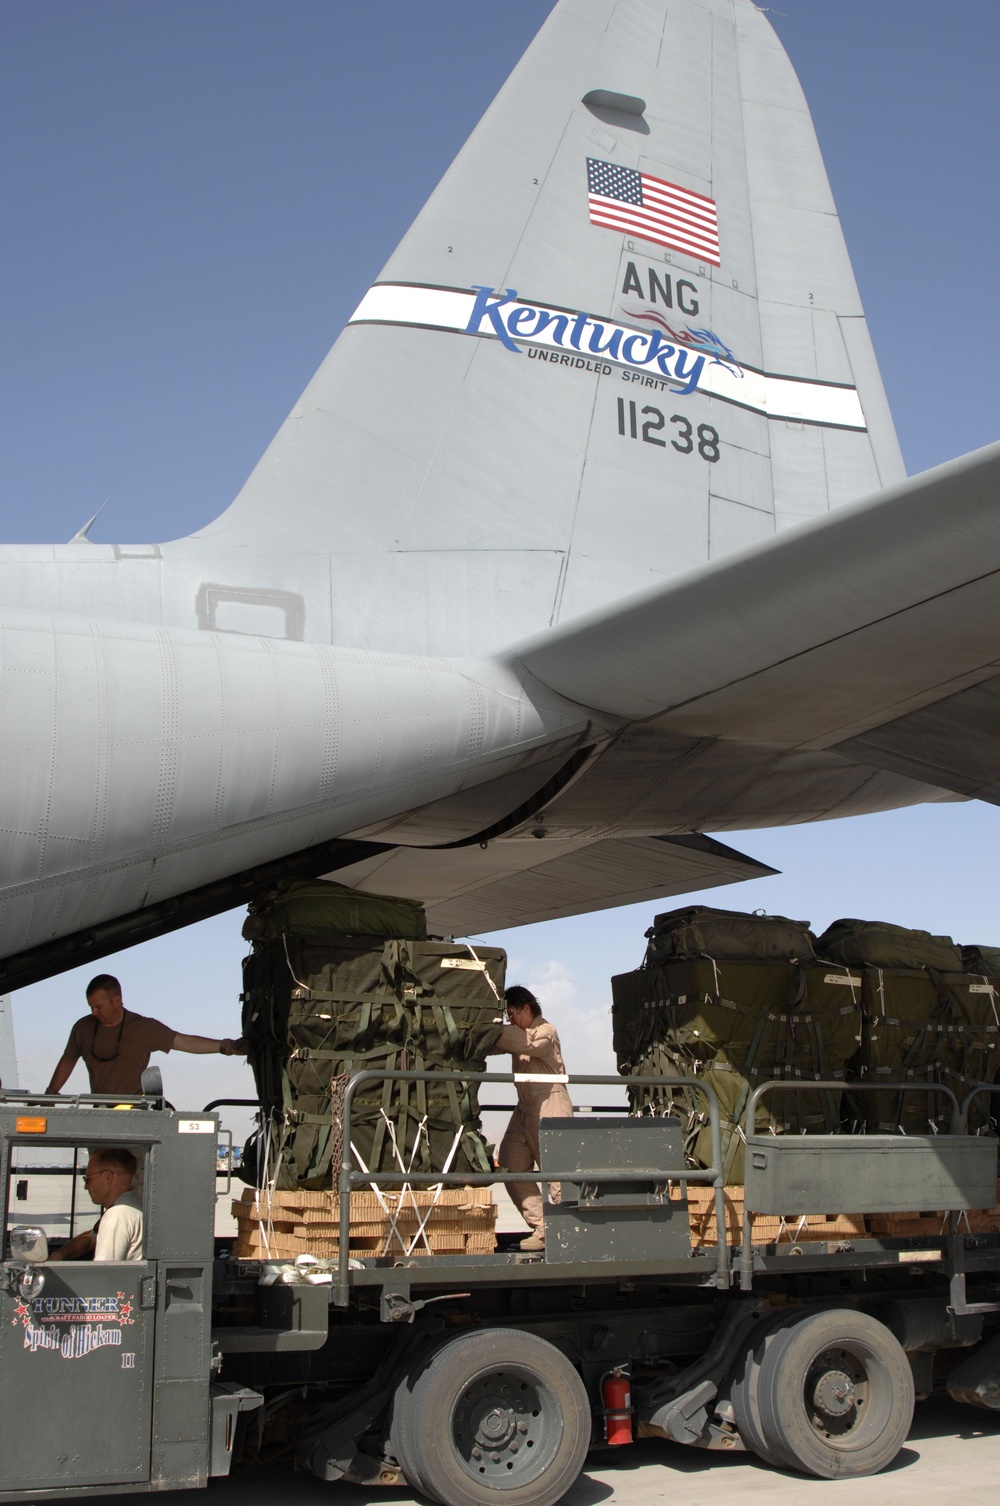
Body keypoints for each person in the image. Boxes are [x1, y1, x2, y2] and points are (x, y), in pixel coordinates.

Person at [46, 973, 245, 1097]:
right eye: (91, 1007)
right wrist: (51, 1093)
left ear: (117, 1000)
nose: (94, 1013)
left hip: (135, 1112)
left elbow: (184, 1042)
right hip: (100, 1112)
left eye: (99, 1007)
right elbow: (68, 1059)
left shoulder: (143, 1028)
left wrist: (228, 1046)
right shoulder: (83, 1028)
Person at [489, 985, 573, 1251]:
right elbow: (497, 1043)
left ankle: (566, 1234)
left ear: (526, 1008)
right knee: (512, 1167)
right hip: (526, 1109)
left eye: (512, 1013)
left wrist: (488, 1029)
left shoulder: (544, 1032)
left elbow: (519, 1041)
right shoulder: (519, 1033)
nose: (510, 1020)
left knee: (557, 1177)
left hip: (550, 1105)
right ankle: (544, 1228)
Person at [50, 1147, 143, 1261]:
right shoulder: (128, 1205)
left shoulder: (116, 1216)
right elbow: (91, 1238)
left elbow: (102, 1273)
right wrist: (59, 1255)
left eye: (88, 1180)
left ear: (108, 1177)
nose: (86, 1186)